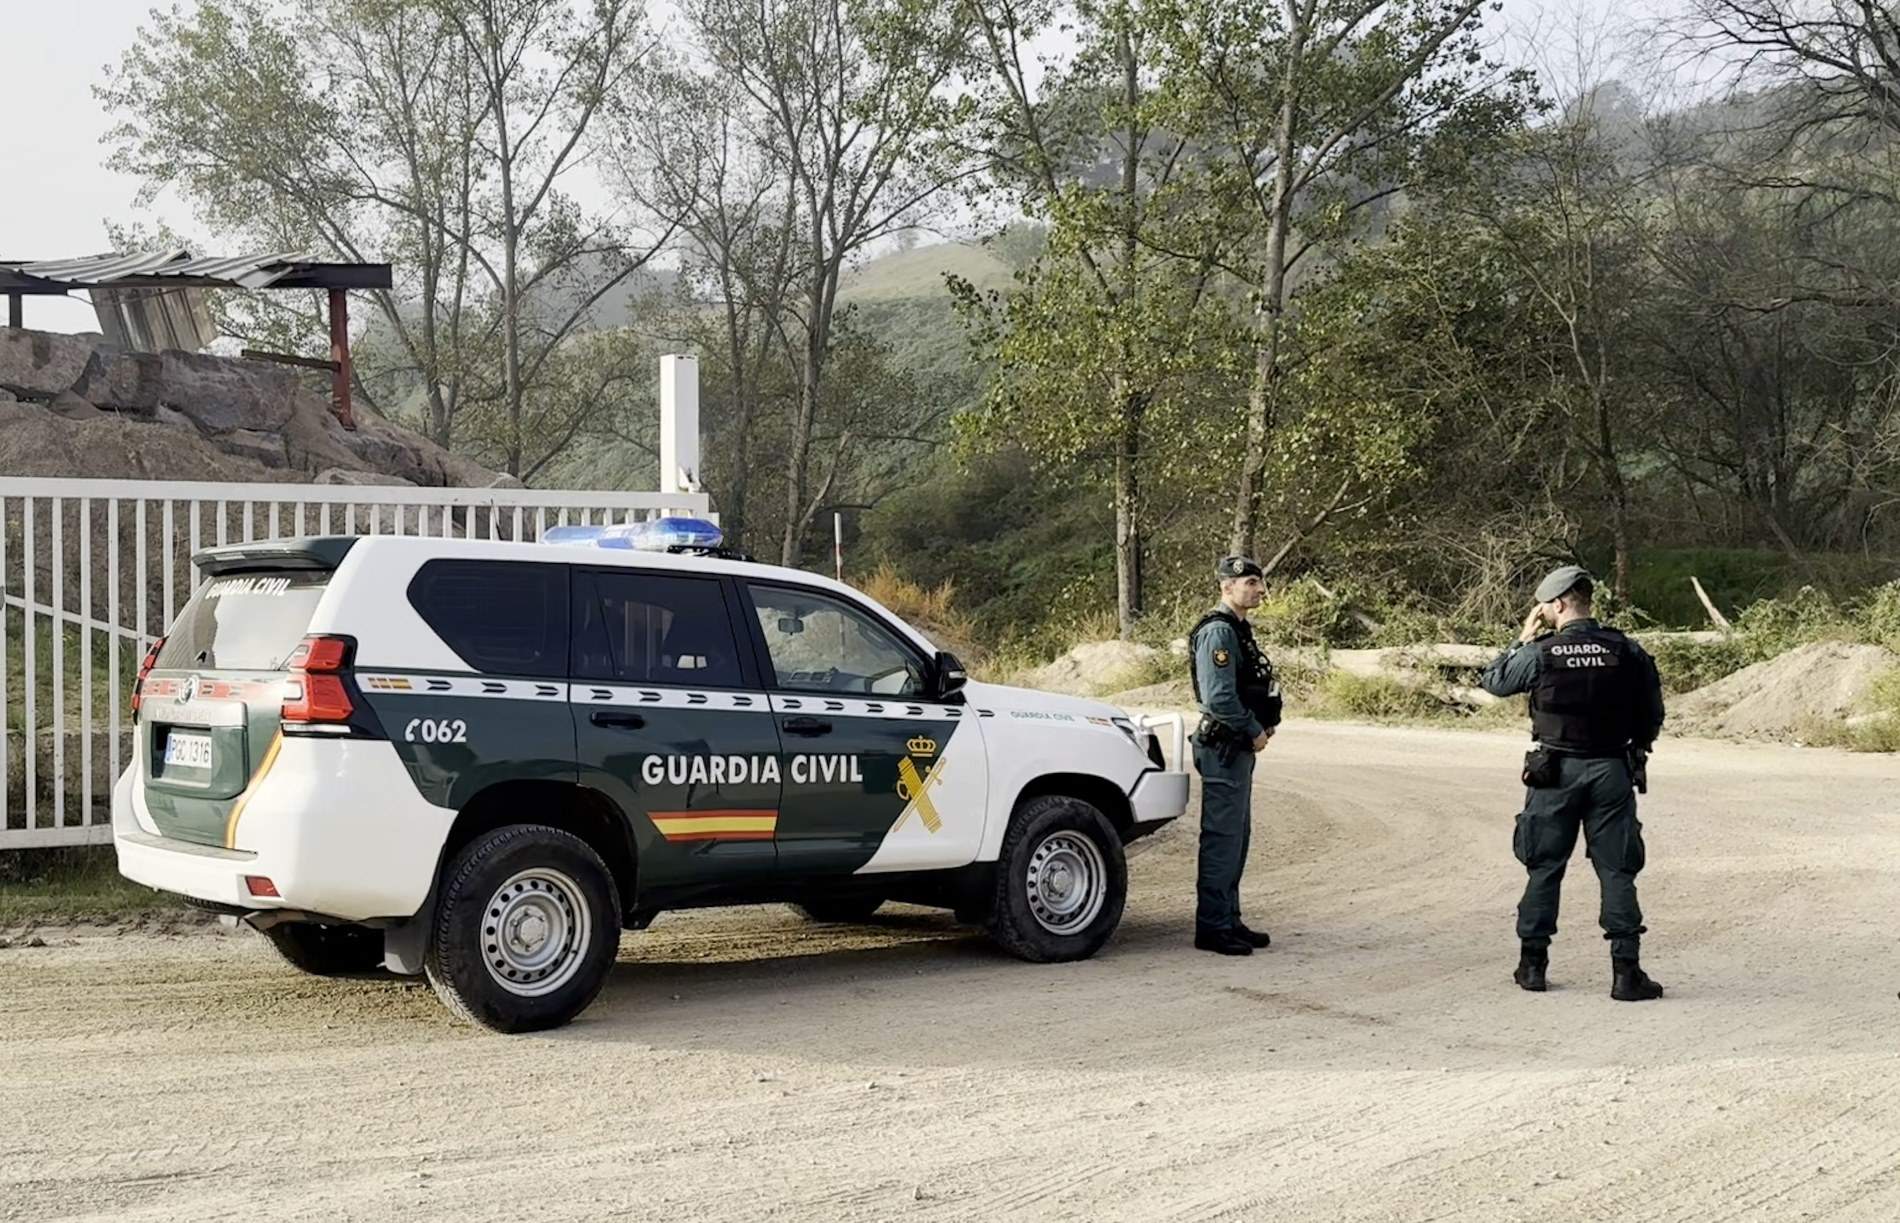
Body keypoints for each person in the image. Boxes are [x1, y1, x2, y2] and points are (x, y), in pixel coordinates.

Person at [1480, 565, 1667, 1001]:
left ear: (1559, 604)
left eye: (1544, 606)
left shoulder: (1540, 652)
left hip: (1554, 772)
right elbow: (1653, 712)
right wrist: (1637, 747)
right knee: (1617, 869)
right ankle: (1626, 973)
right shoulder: (1625, 649)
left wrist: (1522, 639)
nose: (1541, 612)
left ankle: (1532, 967)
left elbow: (1493, 682)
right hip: (1610, 769)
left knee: (1544, 866)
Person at [1187, 555, 1283, 956]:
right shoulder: (1219, 633)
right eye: (1250, 582)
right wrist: (1253, 729)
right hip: (1224, 747)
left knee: (1237, 838)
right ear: (1227, 587)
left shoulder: (1238, 630)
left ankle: (1229, 919)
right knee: (1223, 838)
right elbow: (1219, 697)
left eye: (1259, 582)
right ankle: (1212, 927)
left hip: (1237, 747)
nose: (1259, 589)